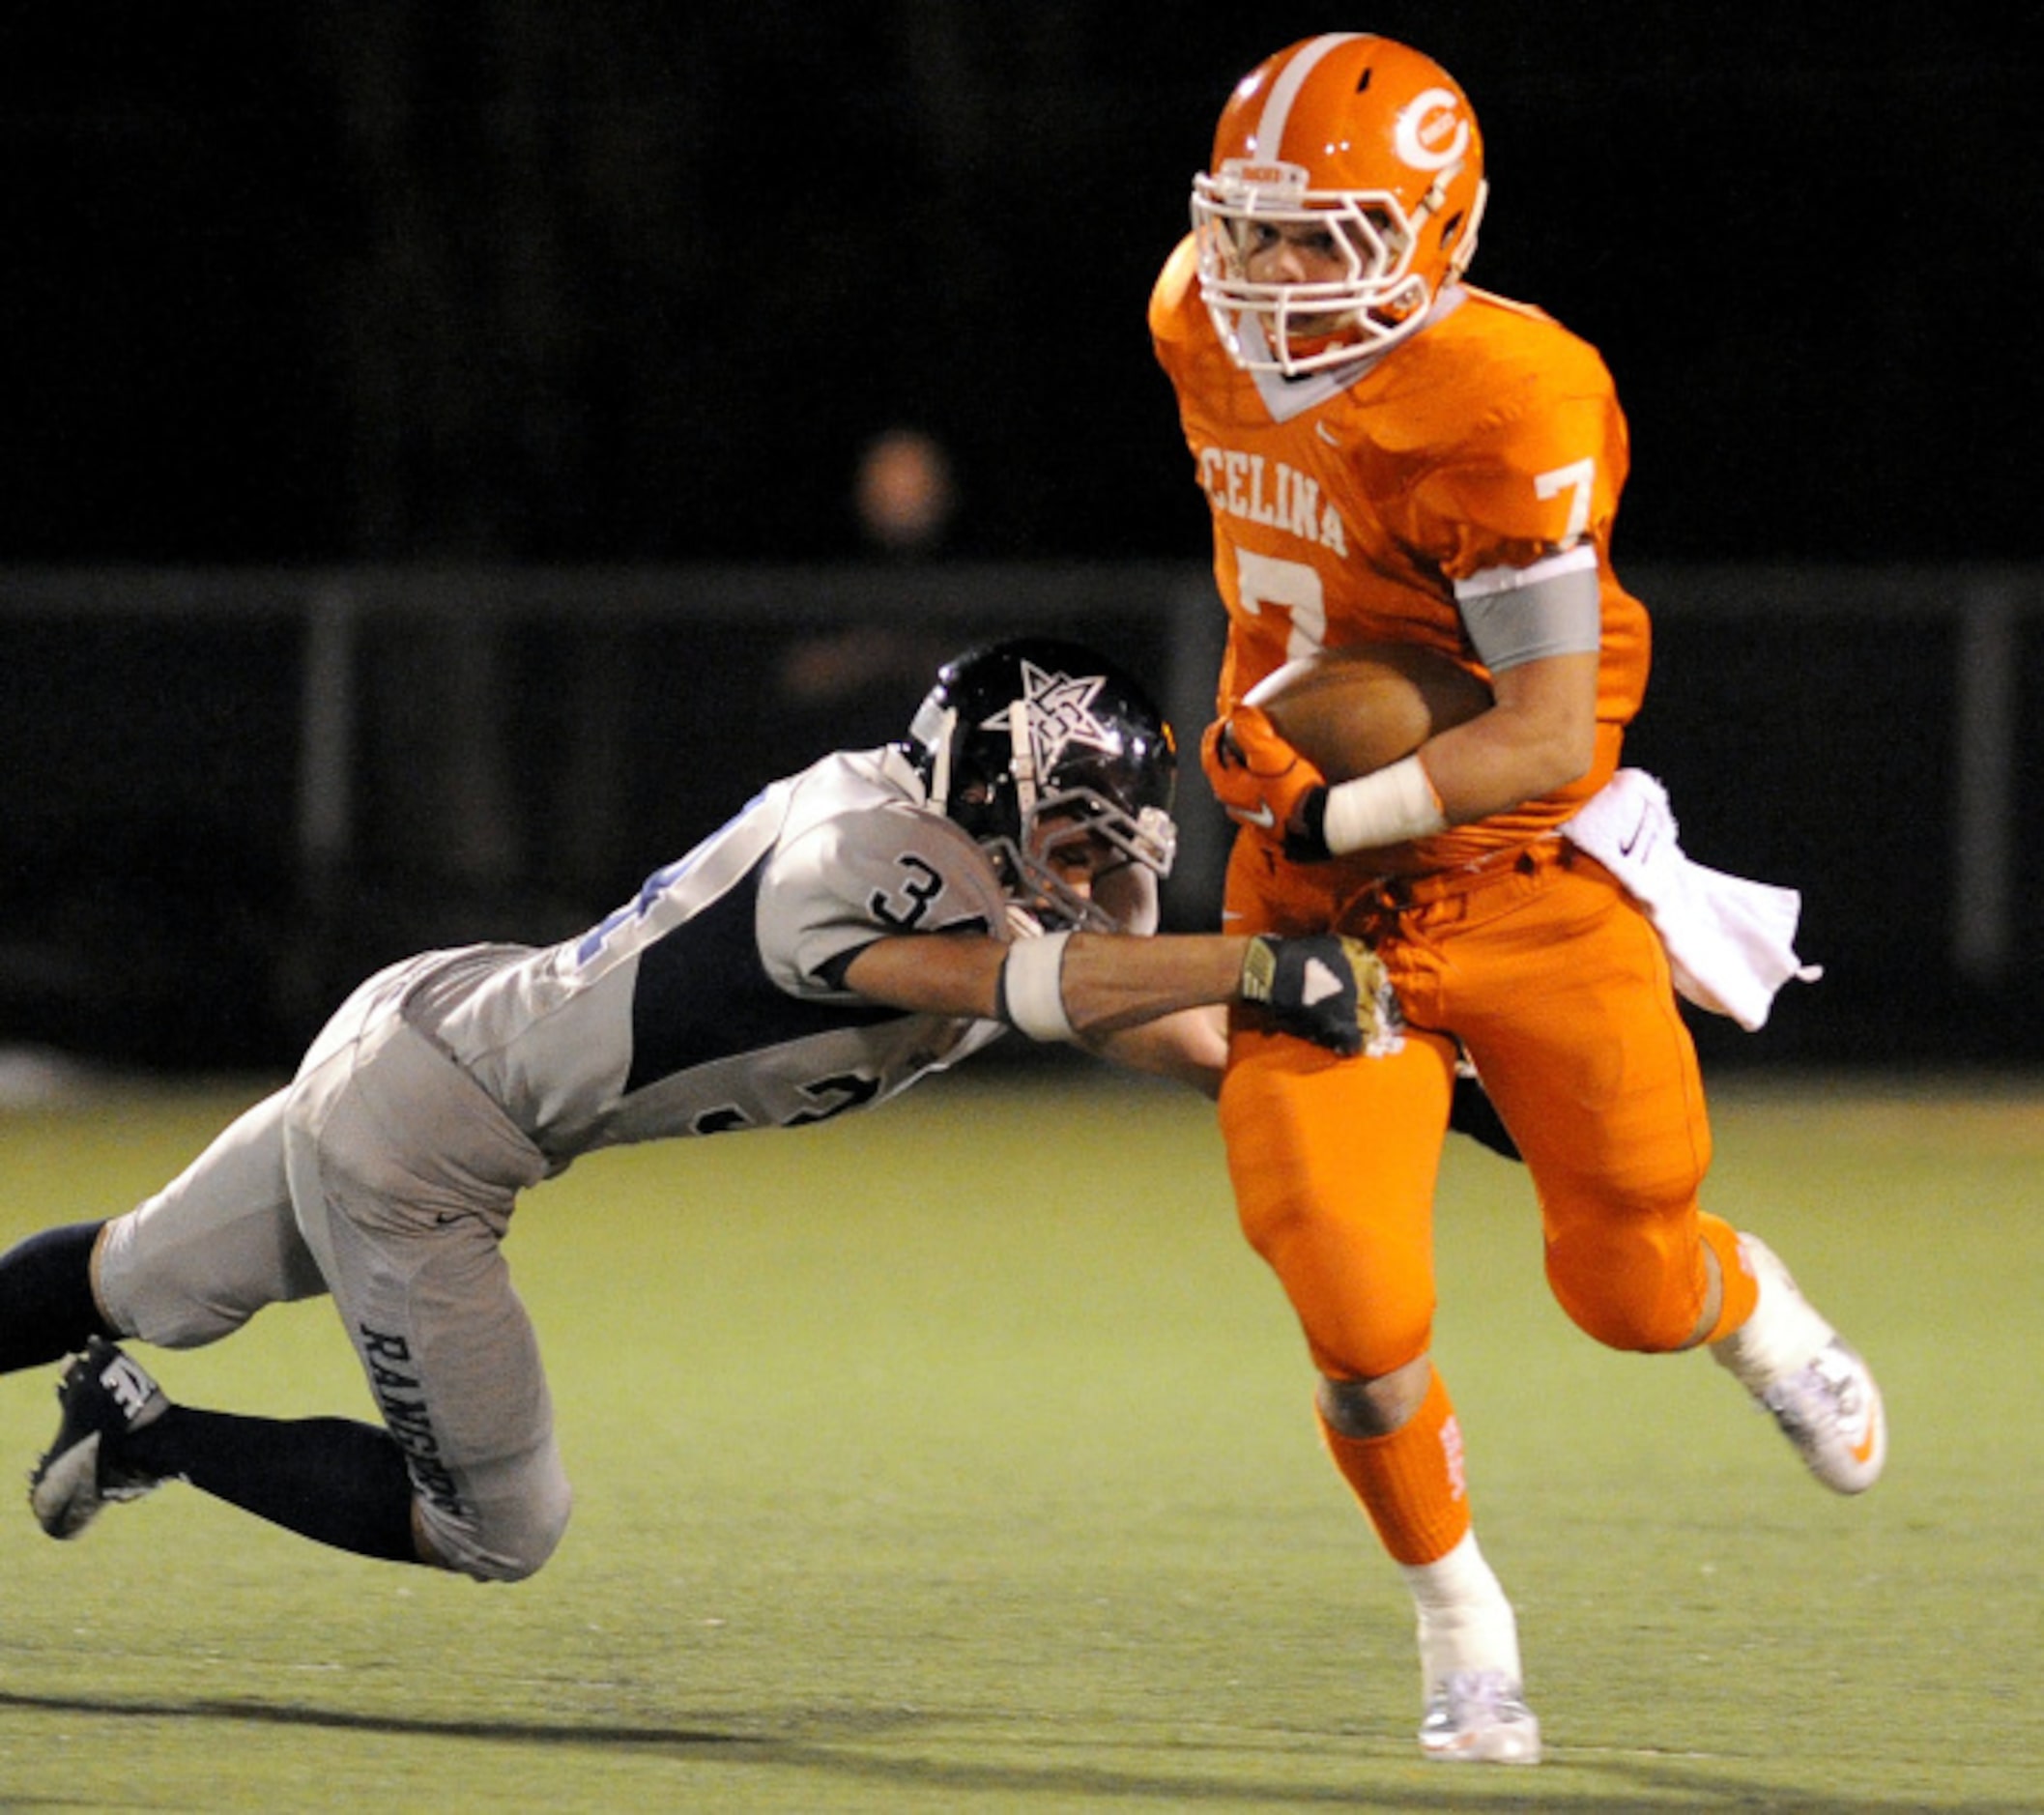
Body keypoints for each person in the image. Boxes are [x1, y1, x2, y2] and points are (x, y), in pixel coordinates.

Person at [3, 636, 1388, 1583]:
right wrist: (1258, 960)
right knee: (497, 1526)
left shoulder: (947, 866)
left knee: (133, 1272)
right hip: (429, 1138)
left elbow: (1137, 1015)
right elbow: (1032, 981)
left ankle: (128, 1407)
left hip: (431, 1040)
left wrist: (1420, 1080)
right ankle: (150, 1430)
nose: (1085, 878)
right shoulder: (873, 854)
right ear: (1001, 777)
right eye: (1077, 839)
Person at [1149, 33, 1885, 1766]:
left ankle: (1748, 1303)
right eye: (1246, 232)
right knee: (1349, 1298)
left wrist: (1335, 792)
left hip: (1526, 867)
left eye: (1322, 241)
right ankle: (1462, 1618)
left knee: (1625, 1282)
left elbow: (1547, 725)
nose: (1266, 280)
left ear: (1440, 235)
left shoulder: (1515, 397)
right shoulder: (1192, 317)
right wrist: (1311, 825)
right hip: (1315, 889)